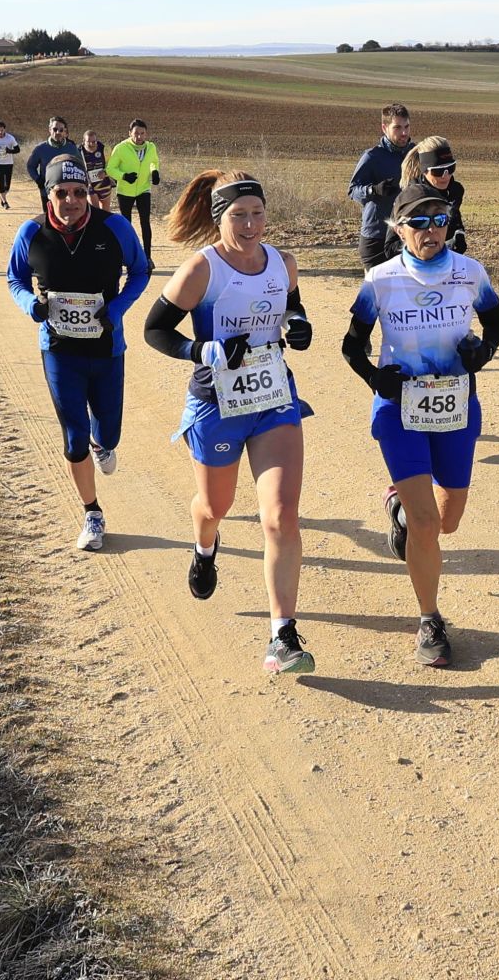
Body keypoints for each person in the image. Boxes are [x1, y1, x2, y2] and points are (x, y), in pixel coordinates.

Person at [143, 170, 317, 676]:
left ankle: (282, 635)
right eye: (238, 215)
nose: (249, 224)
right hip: (216, 401)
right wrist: (203, 349)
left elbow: (291, 303)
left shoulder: (282, 262)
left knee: (282, 515)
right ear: (219, 218)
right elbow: (155, 330)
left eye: (257, 213)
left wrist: (299, 323)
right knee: (215, 506)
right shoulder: (203, 269)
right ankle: (204, 546)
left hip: (272, 397)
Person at [343, 183, 499, 667]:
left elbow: (496, 322)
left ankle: (398, 506)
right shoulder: (380, 280)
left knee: (448, 520)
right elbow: (351, 345)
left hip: (456, 405)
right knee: (427, 523)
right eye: (418, 222)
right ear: (398, 229)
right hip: (400, 410)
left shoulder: (469, 272)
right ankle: (430, 619)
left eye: (439, 220)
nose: (431, 230)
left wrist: (484, 352)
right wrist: (376, 378)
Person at [6, 158, 150, 552]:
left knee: (108, 434)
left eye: (79, 193)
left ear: (88, 194)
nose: (71, 202)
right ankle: (92, 512)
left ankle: (101, 443)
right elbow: (14, 277)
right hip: (59, 350)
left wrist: (117, 309)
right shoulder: (32, 232)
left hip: (106, 349)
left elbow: (141, 271)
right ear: (48, 194)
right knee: (74, 436)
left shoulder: (114, 227)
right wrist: (28, 304)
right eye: (61, 193)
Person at [347, 103, 413, 269]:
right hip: (376, 237)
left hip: (407, 235)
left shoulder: (415, 154)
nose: (404, 133)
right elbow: (353, 190)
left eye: (407, 127)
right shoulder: (372, 157)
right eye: (397, 127)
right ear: (384, 128)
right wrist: (373, 190)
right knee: (377, 292)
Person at [383, 136, 469, 260]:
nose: (446, 176)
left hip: (446, 265)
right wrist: (426, 245)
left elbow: (454, 222)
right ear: (424, 170)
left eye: (450, 168)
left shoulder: (455, 191)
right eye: (438, 171)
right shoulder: (409, 197)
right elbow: (390, 248)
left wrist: (459, 234)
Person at [109, 120, 162, 261]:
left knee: (145, 222)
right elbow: (110, 169)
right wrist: (124, 176)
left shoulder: (151, 147)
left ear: (146, 134)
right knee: (127, 224)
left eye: (142, 133)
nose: (139, 136)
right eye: (136, 133)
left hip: (143, 189)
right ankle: (127, 256)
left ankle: (148, 257)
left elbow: (153, 161)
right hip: (125, 191)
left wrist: (155, 171)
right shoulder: (121, 148)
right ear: (130, 133)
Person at [25, 117, 83, 195]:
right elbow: (30, 166)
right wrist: (38, 180)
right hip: (47, 192)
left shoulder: (72, 148)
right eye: (55, 129)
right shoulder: (40, 149)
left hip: (69, 194)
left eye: (61, 130)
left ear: (65, 131)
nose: (58, 132)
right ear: (50, 130)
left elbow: (81, 166)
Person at [0, 122, 21, 210]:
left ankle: (1, 196)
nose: (0, 132)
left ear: (4, 130)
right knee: (1, 183)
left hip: (8, 163)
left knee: (7, 186)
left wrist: (10, 151)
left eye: (2, 130)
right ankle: (5, 202)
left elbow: (17, 150)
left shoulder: (10, 138)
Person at [81, 129, 116, 213]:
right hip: (90, 186)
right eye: (89, 142)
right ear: (83, 141)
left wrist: (105, 172)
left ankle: (104, 226)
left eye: (94, 141)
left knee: (106, 213)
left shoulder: (104, 149)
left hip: (105, 185)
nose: (91, 144)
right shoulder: (79, 152)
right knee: (96, 212)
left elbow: (111, 165)